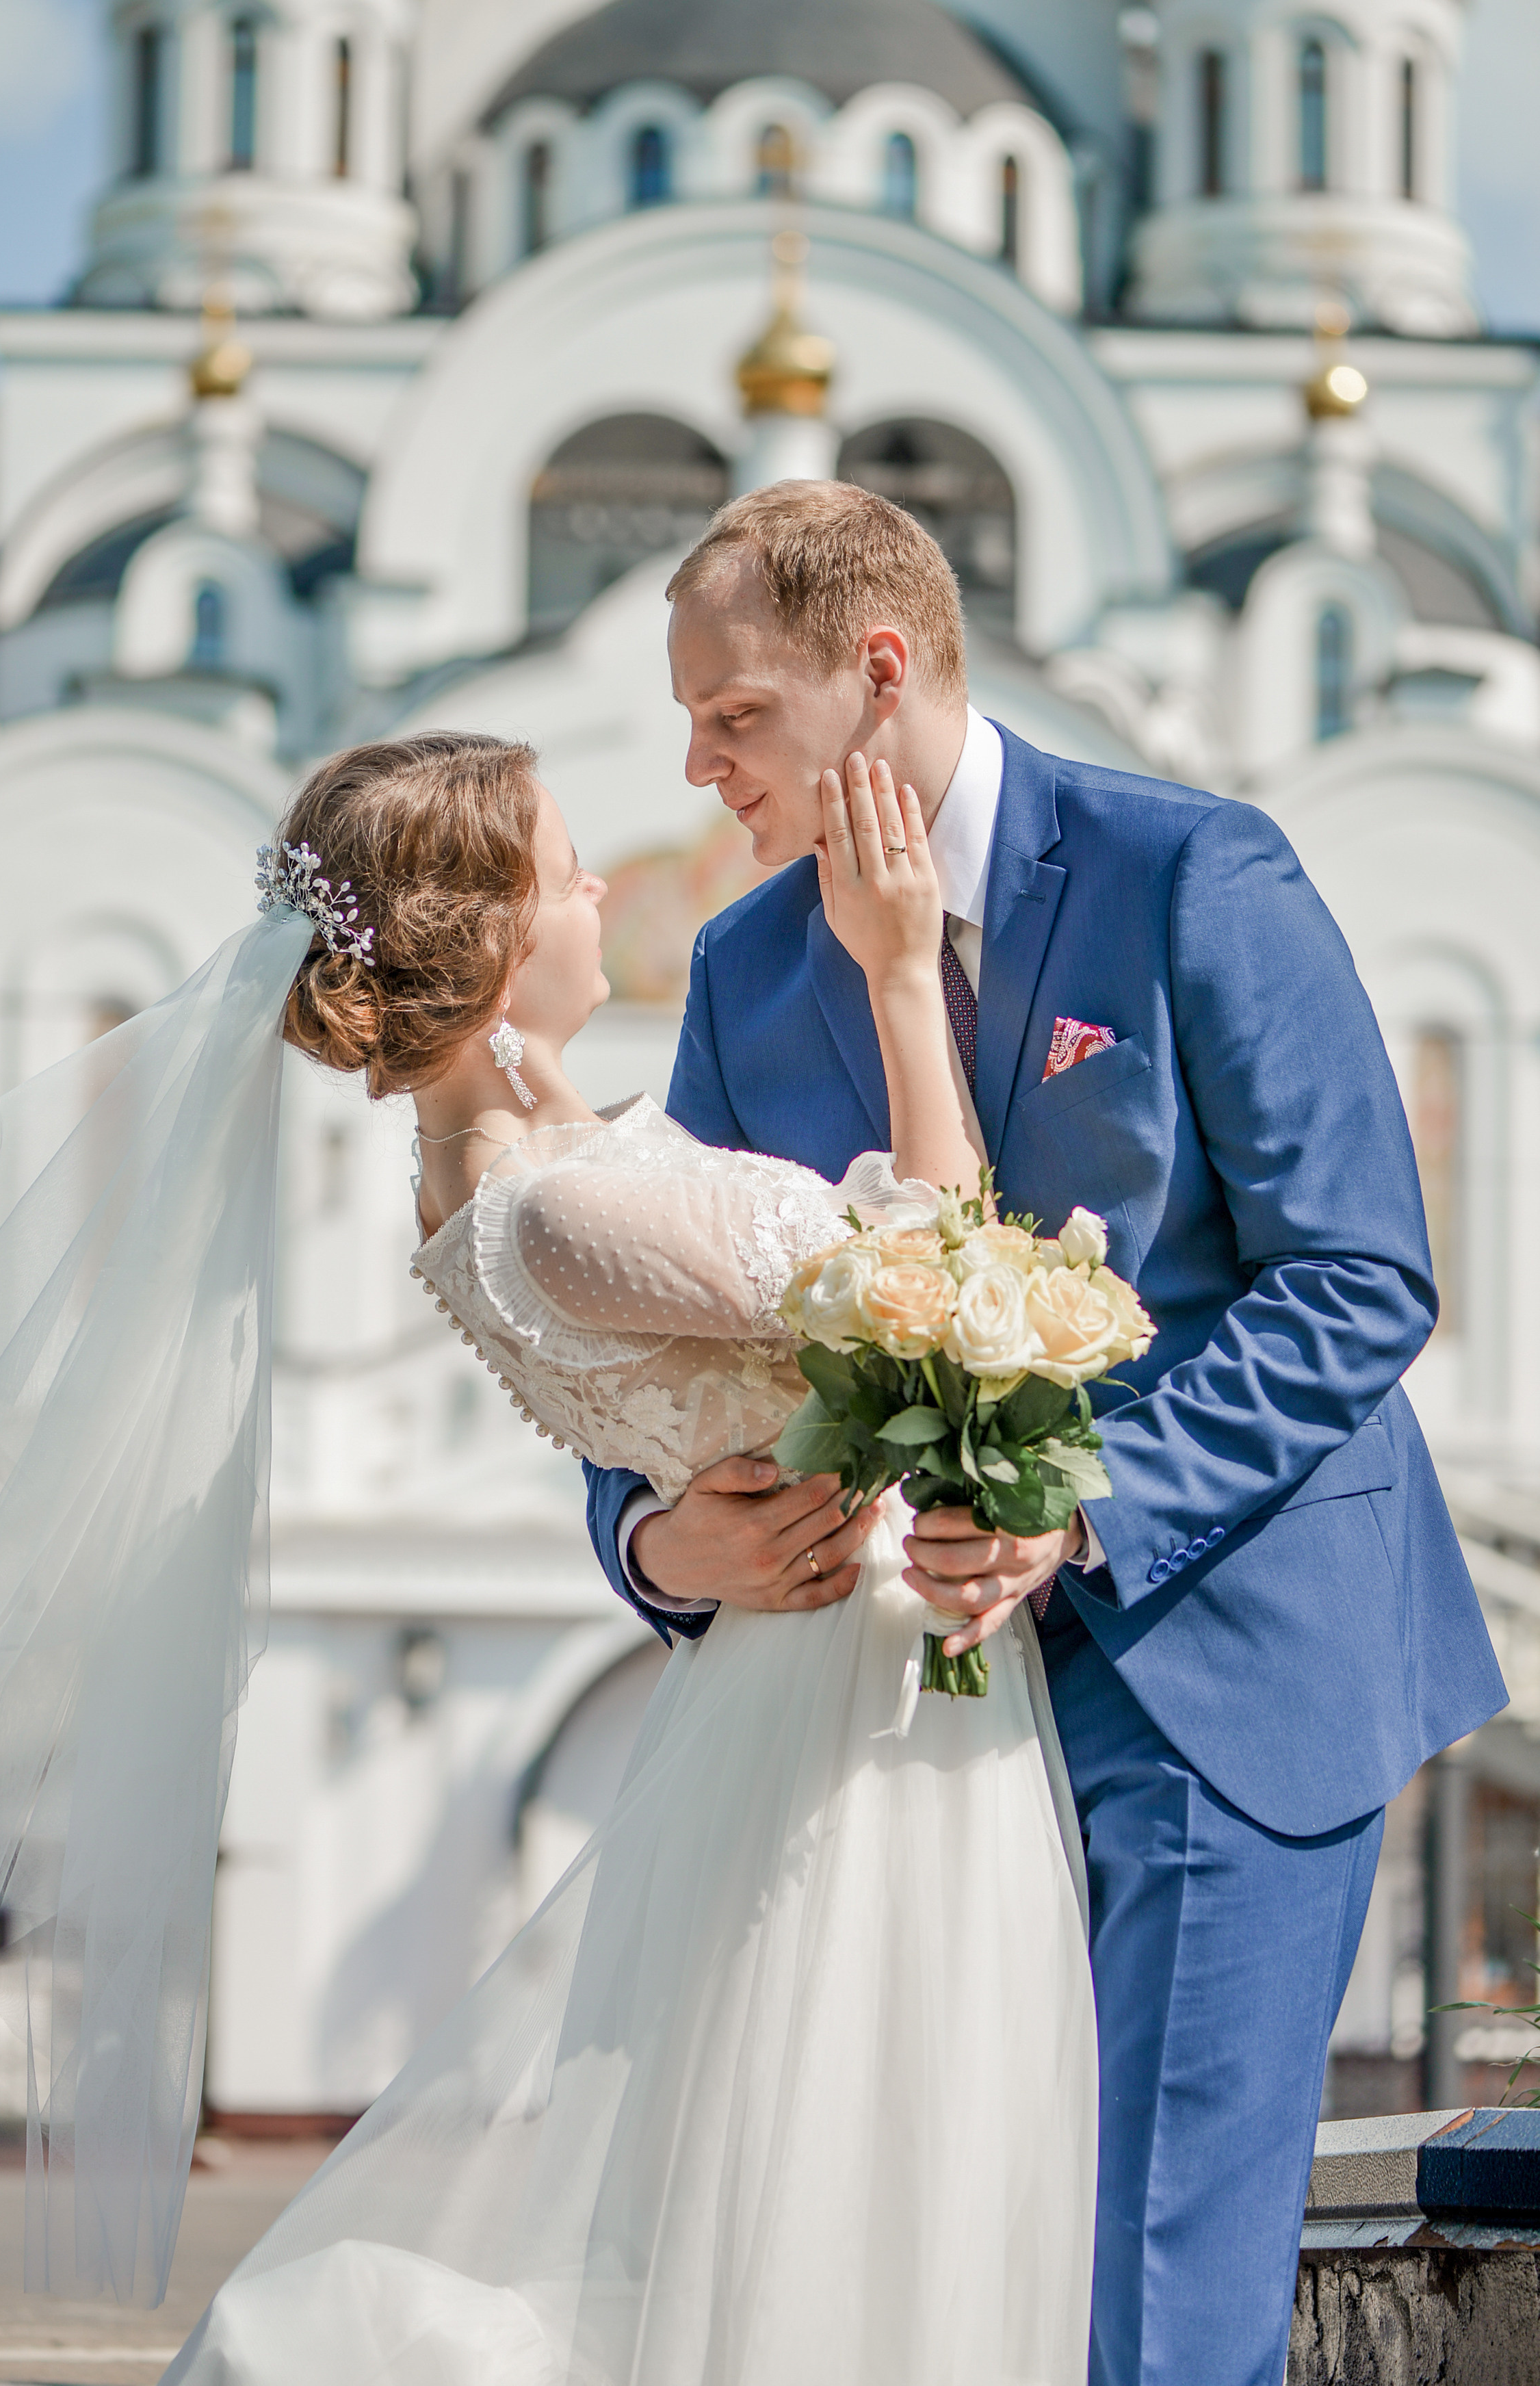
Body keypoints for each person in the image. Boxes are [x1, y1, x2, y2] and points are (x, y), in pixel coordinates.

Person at [0, 728, 1097, 2376]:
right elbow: (940, 1285)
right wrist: (907, 976)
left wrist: (666, 1518)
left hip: (798, 1665)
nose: (602, 888)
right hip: (866, 1681)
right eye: (566, 874)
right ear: (493, 949)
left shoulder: (488, 1178)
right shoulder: (567, 1211)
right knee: (876, 2167)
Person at [582, 481, 1509, 2386]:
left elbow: (1357, 1277)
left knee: (1154, 2299)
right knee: (937, 2272)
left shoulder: (1196, 875)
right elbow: (685, 1338)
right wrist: (658, 1547)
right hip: (904, 1731)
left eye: (736, 714)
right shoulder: (748, 976)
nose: (697, 761)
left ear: (881, 669)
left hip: (1229, 1662)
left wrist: (1079, 1514)